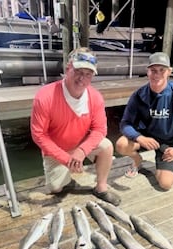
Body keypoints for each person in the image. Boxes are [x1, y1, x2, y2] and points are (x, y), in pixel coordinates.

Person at [31, 47, 121, 206]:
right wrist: (65, 159)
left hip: (80, 143)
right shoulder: (44, 96)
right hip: (57, 149)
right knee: (55, 188)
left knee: (107, 146)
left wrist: (81, 151)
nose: (82, 78)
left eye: (88, 74)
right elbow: (39, 135)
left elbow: (100, 129)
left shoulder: (95, 97)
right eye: (78, 71)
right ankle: (67, 170)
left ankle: (101, 188)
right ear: (68, 68)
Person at [116, 52, 173, 190]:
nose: (157, 74)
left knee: (165, 184)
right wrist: (139, 137)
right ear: (147, 72)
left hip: (169, 141)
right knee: (121, 144)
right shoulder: (138, 95)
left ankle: (162, 164)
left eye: (162, 70)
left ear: (169, 72)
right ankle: (137, 160)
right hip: (146, 137)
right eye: (153, 70)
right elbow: (125, 123)